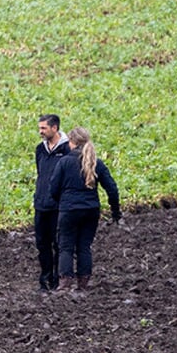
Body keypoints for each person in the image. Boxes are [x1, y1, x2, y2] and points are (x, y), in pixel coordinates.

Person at [46, 126, 120, 292]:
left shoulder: (64, 162)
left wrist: (62, 202)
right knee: (84, 247)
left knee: (65, 246)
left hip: (69, 210)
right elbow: (112, 189)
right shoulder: (96, 163)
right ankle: (83, 283)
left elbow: (53, 188)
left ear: (71, 142)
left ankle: (65, 284)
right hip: (91, 210)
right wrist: (115, 212)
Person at [33, 113, 70, 292]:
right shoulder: (40, 150)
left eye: (43, 128)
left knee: (58, 243)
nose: (40, 131)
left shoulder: (67, 149)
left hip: (58, 205)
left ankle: (57, 279)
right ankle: (45, 278)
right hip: (41, 204)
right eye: (40, 128)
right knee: (42, 243)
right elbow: (40, 173)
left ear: (54, 128)